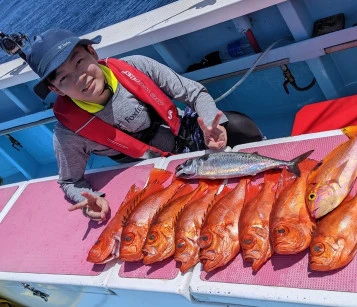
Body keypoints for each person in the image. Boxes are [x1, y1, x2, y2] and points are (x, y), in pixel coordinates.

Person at [26, 29, 263, 221]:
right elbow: (69, 181)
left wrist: (212, 124)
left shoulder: (138, 66)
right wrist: (91, 199)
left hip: (187, 134)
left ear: (92, 52)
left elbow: (195, 92)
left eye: (79, 62)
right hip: (148, 171)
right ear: (55, 89)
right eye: (64, 77)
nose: (80, 78)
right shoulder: (68, 134)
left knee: (241, 125)